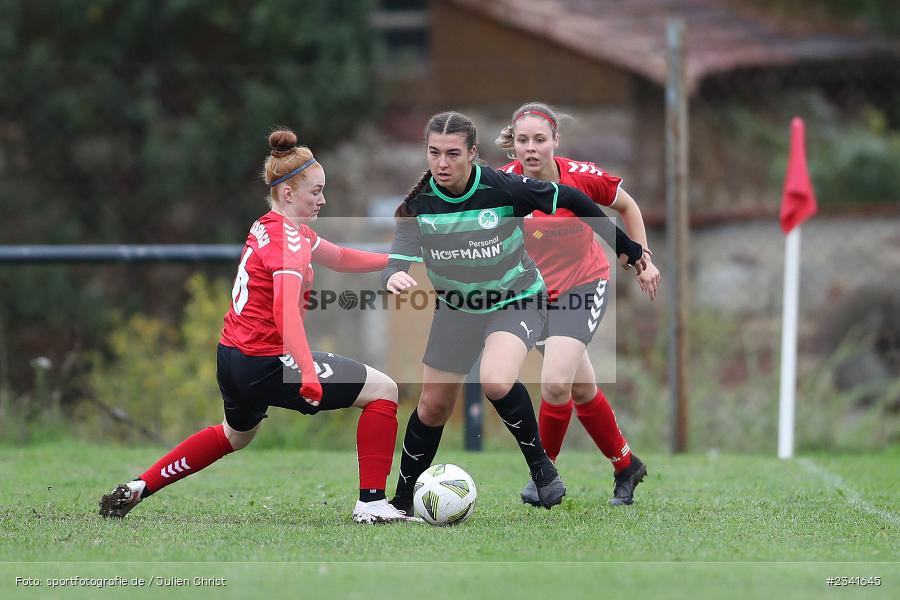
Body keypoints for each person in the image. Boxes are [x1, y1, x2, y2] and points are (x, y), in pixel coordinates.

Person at [99, 128, 416, 524]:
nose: (323, 200)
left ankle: (140, 486)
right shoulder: (289, 244)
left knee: (235, 435)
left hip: (232, 356)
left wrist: (398, 258)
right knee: (383, 389)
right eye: (315, 191)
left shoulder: (270, 225)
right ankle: (371, 504)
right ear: (288, 193)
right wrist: (306, 372)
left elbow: (339, 257)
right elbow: (285, 314)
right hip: (266, 362)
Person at [382, 111, 650, 515]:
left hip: (521, 298)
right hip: (458, 309)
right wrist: (394, 275)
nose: (442, 163)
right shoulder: (418, 207)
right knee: (433, 406)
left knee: (505, 380)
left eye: (453, 153)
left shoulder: (502, 186)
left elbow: (577, 199)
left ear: (472, 154)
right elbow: (398, 256)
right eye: (434, 153)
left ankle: (543, 470)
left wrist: (628, 247)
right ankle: (401, 501)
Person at [496, 102, 660, 506]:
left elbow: (627, 206)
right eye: (522, 141)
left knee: (555, 383)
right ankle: (626, 465)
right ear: (513, 145)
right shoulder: (502, 184)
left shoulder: (582, 177)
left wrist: (644, 260)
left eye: (539, 139)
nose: (530, 148)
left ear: (556, 142)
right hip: (533, 296)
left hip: (583, 285)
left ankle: (542, 474)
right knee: (582, 389)